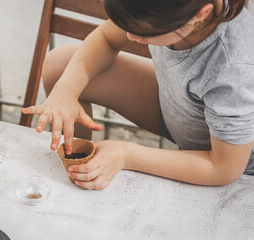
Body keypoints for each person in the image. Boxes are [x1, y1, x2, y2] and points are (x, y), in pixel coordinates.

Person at [22, 0, 254, 190]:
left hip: (220, 159)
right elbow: (107, 37)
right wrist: (66, 91)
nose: (130, 36)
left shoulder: (234, 65)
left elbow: (224, 169)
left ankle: (97, 166)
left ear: (201, 14)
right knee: (59, 66)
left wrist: (125, 154)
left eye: (143, 32)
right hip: (176, 105)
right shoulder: (169, 10)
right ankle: (80, 164)